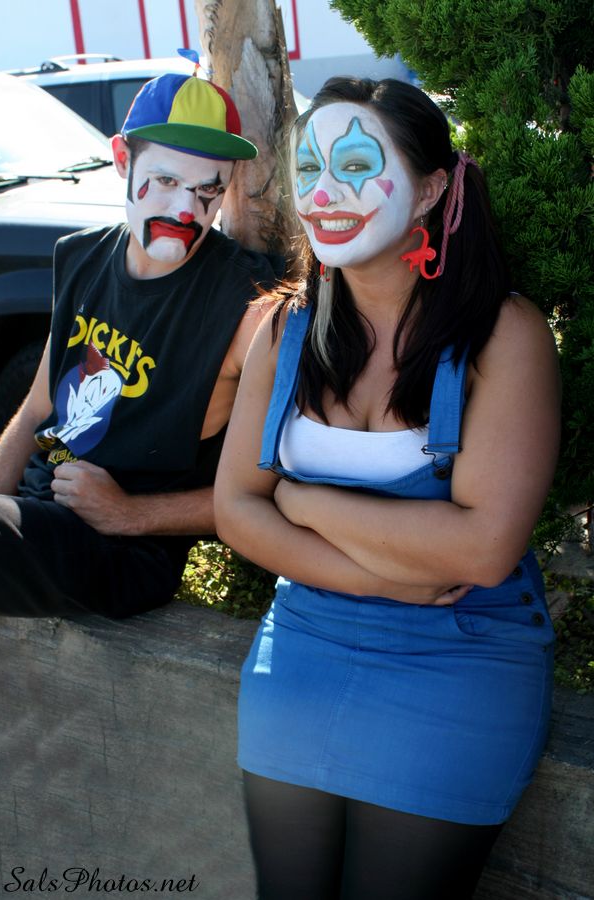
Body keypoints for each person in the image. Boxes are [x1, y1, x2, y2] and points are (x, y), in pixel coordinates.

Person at [214, 77, 561, 900]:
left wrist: (301, 501)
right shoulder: (284, 329)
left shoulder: (502, 335)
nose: (325, 193)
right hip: (303, 646)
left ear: (432, 189)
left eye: (357, 165)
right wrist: (388, 577)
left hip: (459, 657)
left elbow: (482, 550)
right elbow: (234, 510)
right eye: (310, 169)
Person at [0, 67, 280, 619]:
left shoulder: (251, 305)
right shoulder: (81, 257)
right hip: (35, 514)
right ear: (122, 159)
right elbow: (36, 409)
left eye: (207, 191)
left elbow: (267, 489)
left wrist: (128, 514)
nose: (185, 211)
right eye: (167, 181)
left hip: (119, 548)